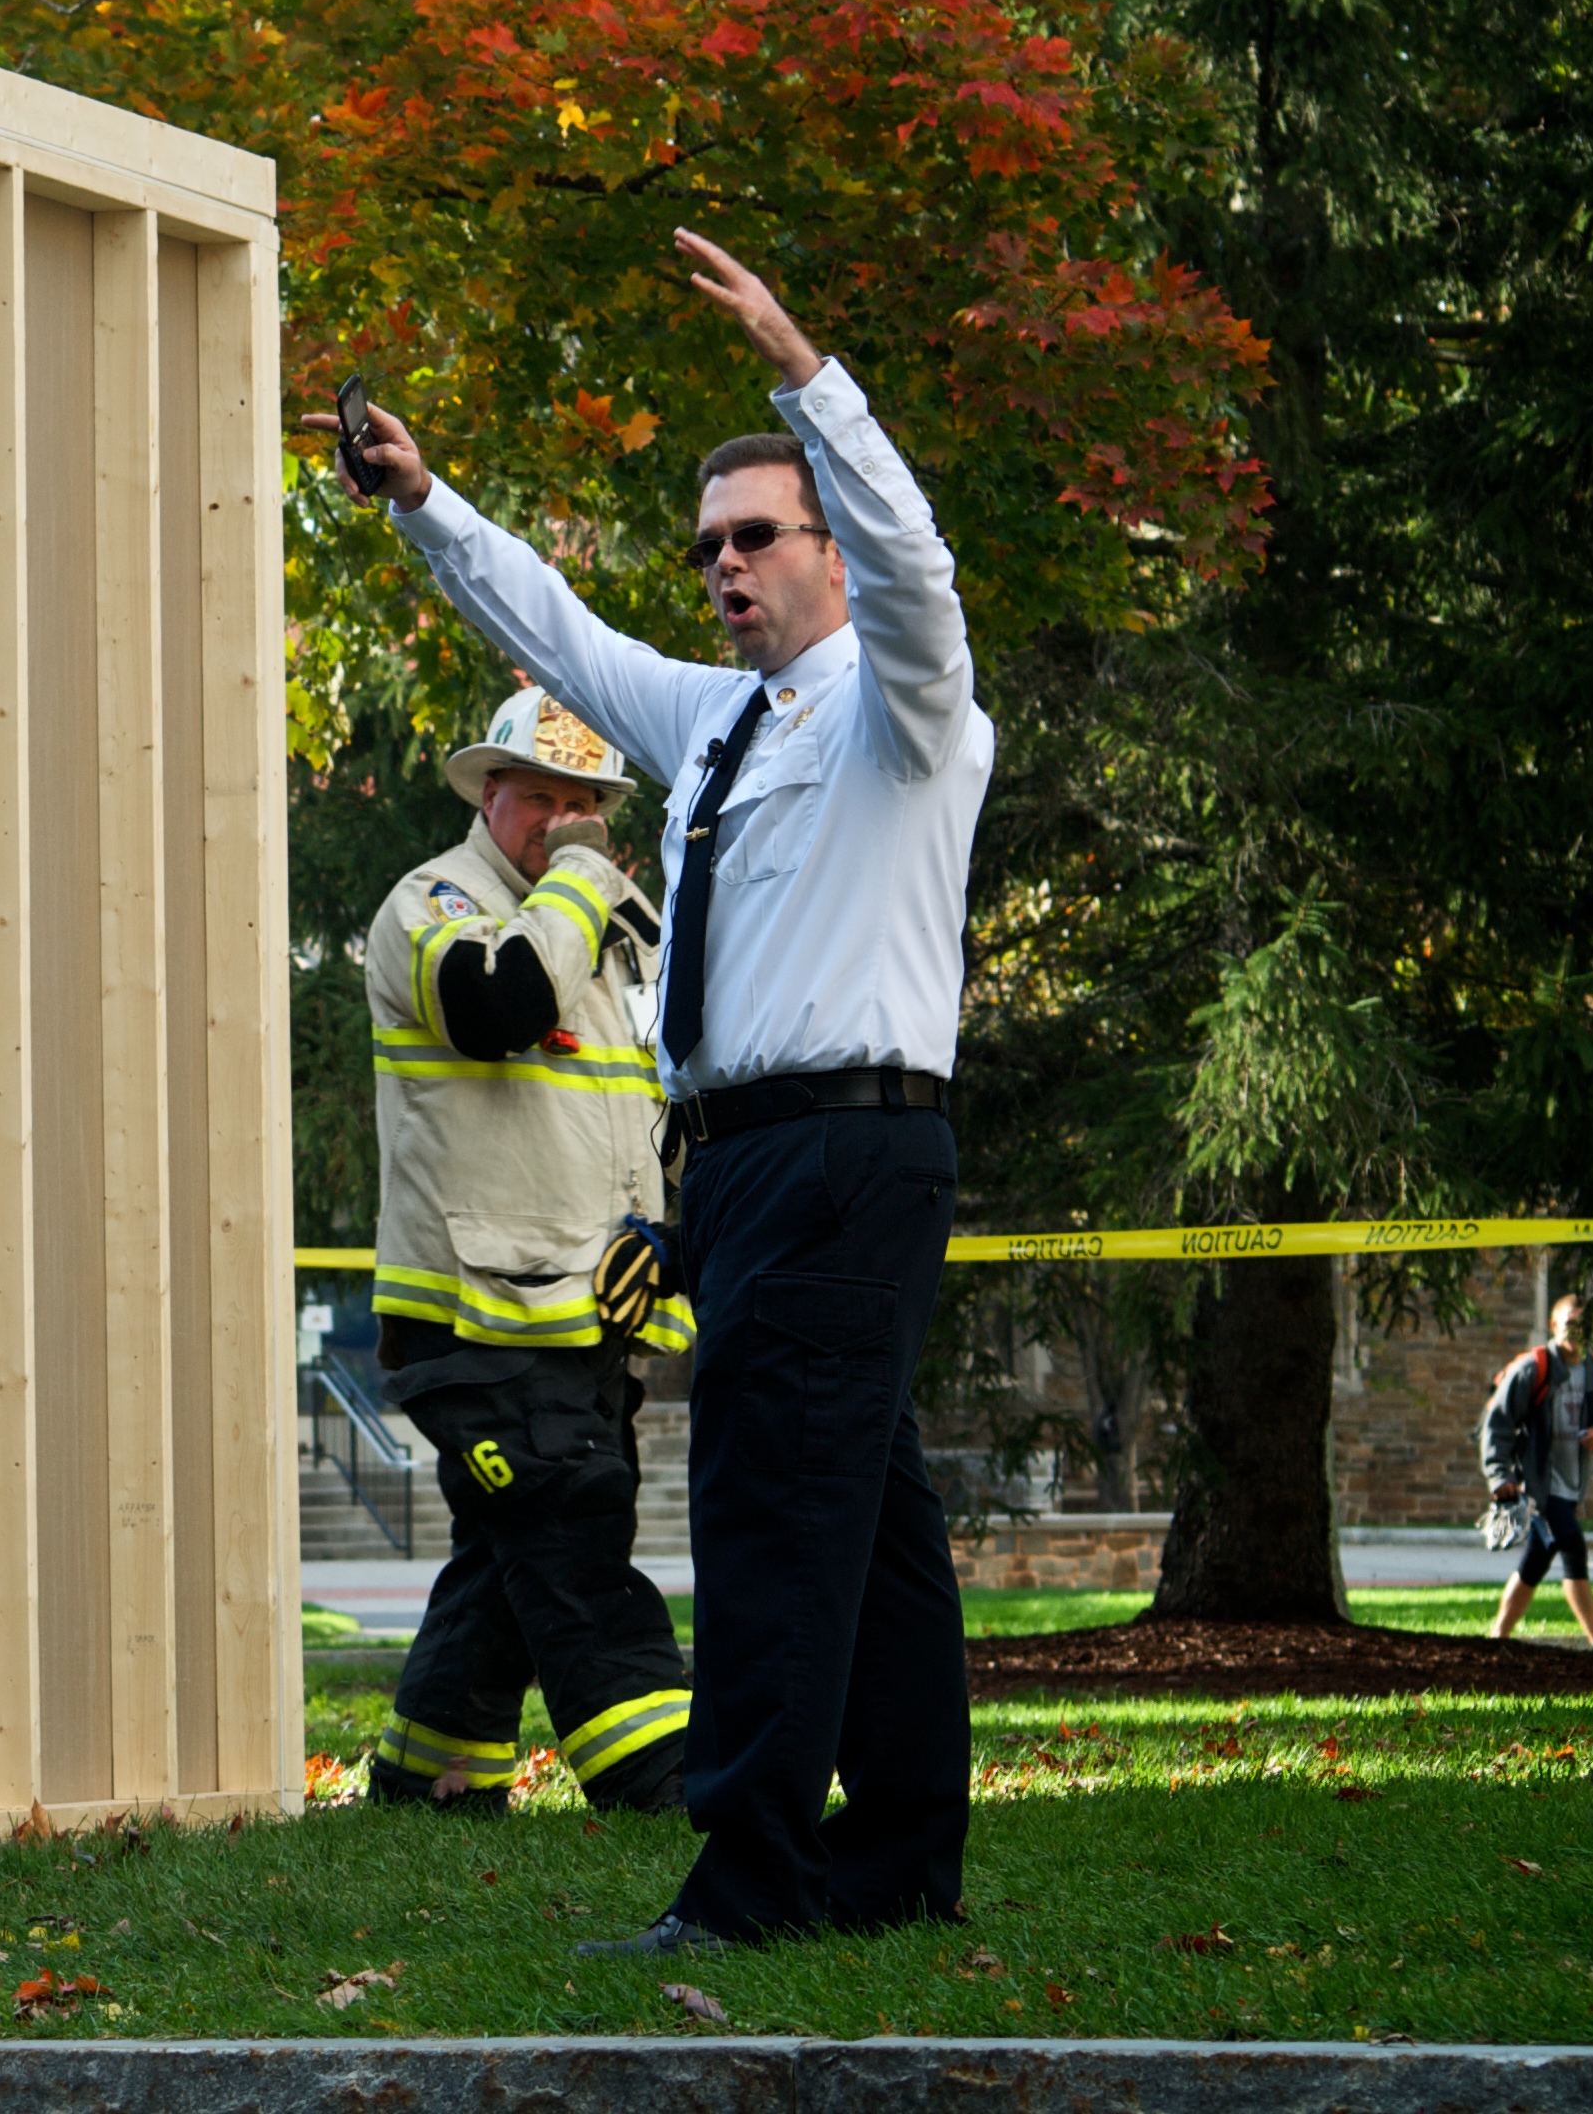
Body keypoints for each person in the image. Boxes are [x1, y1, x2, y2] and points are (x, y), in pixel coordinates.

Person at [339, 229, 993, 1951]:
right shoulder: (716, 722)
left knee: (772, 1516)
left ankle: (747, 1884)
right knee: (876, 1527)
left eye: (754, 535)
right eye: (703, 543)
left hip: (847, 1149)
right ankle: (902, 1864)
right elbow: (540, 624)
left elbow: (916, 564)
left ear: (826, 550)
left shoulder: (899, 708)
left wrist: (799, 364)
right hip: (745, 1173)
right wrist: (423, 502)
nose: (719, 565)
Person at [360, 686, 699, 1816]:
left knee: (510, 1545)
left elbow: (653, 1102)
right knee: (569, 1522)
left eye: (579, 803)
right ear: (485, 792)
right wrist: (575, 881)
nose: (557, 820)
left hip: (585, 1314)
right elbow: (492, 1003)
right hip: (471, 1316)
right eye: (536, 797)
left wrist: (664, 1234)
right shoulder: (430, 901)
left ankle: (428, 1774)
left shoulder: (611, 936)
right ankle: (663, 1780)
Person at [1482, 1291, 1593, 1654]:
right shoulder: (1533, 1368)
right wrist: (1500, 1476)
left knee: (1535, 1562)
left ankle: (1497, 1639)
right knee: (1573, 1547)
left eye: (1584, 1327)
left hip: (1571, 1481)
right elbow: (1497, 1424)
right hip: (1538, 1487)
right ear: (1553, 1326)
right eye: (1570, 1325)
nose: (1576, 1333)